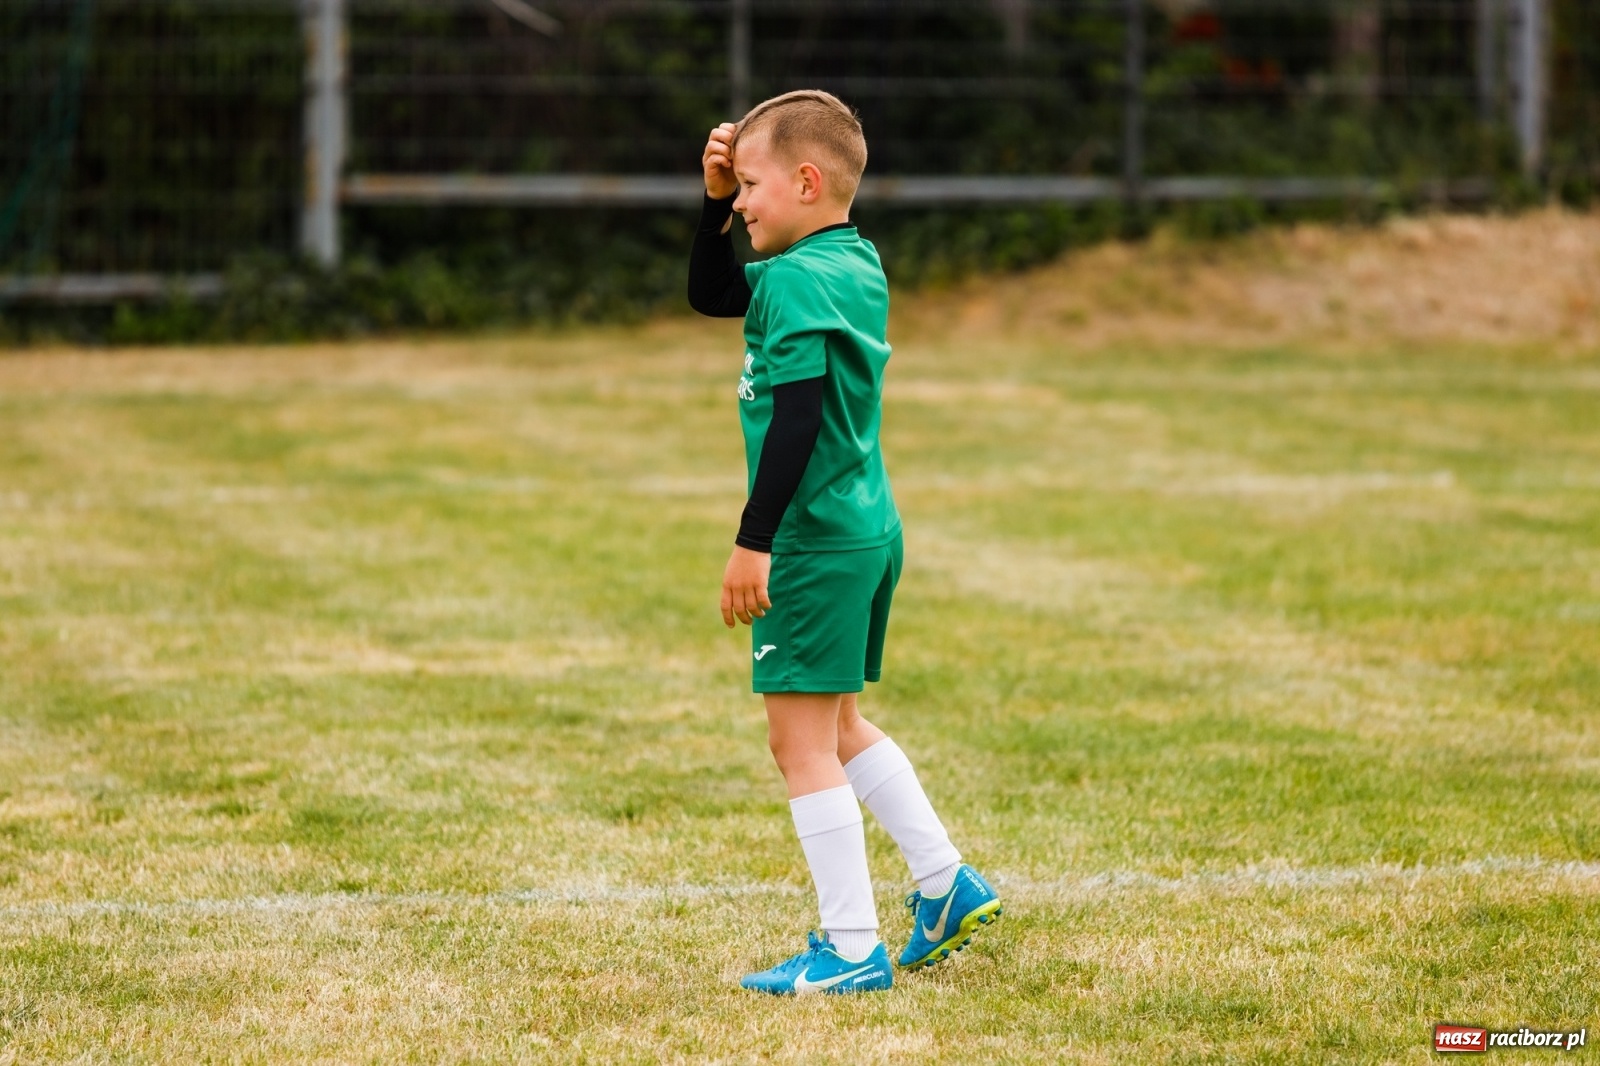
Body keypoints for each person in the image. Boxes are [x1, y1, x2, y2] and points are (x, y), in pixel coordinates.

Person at [687, 89, 1002, 996]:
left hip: (816, 540)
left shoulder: (793, 280)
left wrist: (756, 543)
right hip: (867, 526)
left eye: (749, 186)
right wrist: (711, 200)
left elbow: (799, 416)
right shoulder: (850, 259)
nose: (739, 202)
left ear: (808, 180)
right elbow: (711, 293)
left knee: (800, 744)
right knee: (841, 724)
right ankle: (945, 886)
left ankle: (853, 948)